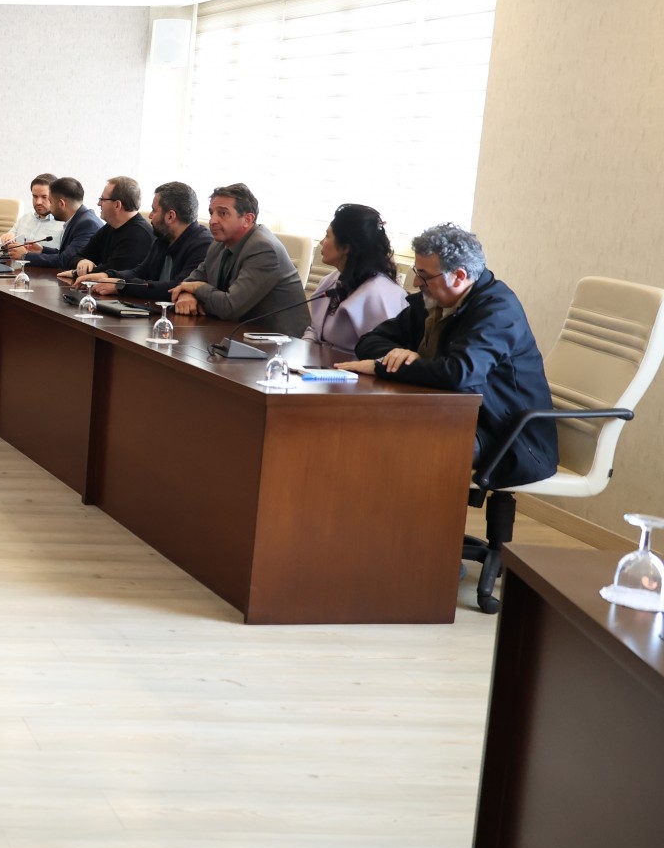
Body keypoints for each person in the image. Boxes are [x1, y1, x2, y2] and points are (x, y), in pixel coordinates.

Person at [342, 224, 556, 607]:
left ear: (458, 276)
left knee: (416, 449)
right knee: (372, 434)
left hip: (509, 435)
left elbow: (460, 373)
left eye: (424, 276)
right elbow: (370, 340)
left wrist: (388, 367)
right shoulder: (435, 302)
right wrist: (396, 355)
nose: (416, 283)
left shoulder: (497, 310)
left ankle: (432, 560)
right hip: (459, 419)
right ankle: (376, 546)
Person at [169, 183, 308, 334]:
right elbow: (190, 281)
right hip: (235, 333)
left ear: (247, 219)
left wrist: (197, 288)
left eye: (223, 213)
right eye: (211, 213)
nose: (213, 221)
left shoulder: (264, 249)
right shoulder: (218, 244)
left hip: (278, 341)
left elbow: (230, 308)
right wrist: (186, 294)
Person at [75, 181, 212, 301]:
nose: (150, 216)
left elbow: (178, 286)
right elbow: (140, 271)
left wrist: (122, 286)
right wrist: (106, 275)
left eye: (154, 210)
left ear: (170, 216)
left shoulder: (203, 245)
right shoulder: (164, 238)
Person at [305, 204, 409, 354]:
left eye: (327, 236)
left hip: (354, 367)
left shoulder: (379, 294)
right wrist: (301, 352)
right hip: (319, 363)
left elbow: (385, 354)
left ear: (346, 247)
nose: (321, 242)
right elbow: (314, 331)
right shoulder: (331, 280)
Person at [60, 176, 154, 282]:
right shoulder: (111, 226)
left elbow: (112, 272)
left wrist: (76, 272)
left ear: (117, 205)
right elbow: (75, 257)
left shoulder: (139, 235)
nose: (99, 204)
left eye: (102, 199)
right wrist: (82, 262)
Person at [20, 177, 99, 270]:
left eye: (50, 202)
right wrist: (42, 250)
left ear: (62, 204)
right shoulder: (79, 219)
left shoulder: (87, 225)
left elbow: (66, 261)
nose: (50, 207)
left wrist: (24, 256)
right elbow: (67, 254)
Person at [0, 172, 63, 255]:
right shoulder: (25, 219)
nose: (38, 202)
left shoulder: (64, 225)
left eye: (44, 197)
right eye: (35, 196)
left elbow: (64, 257)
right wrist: (5, 241)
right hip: (14, 262)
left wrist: (27, 255)